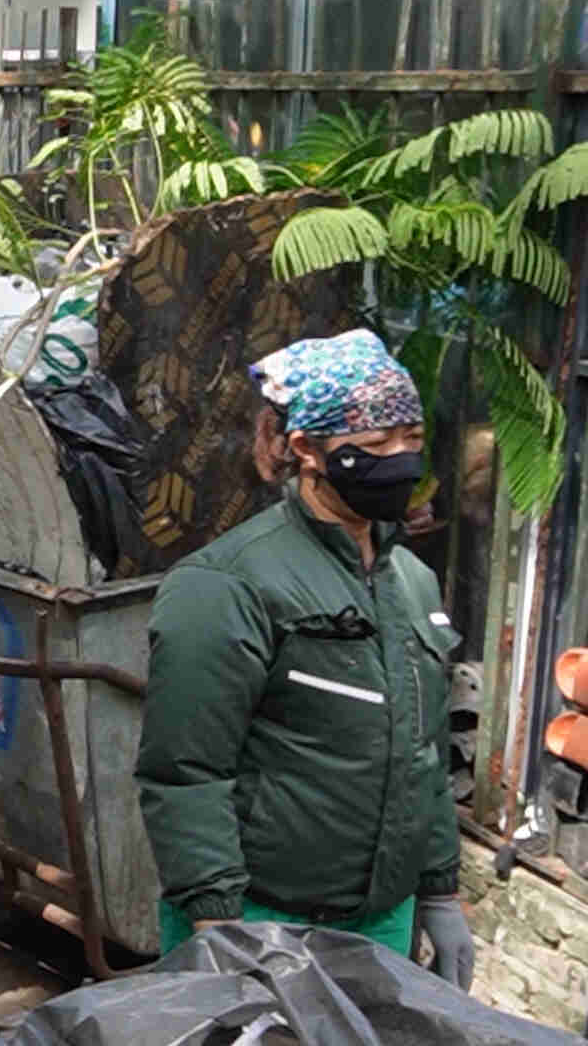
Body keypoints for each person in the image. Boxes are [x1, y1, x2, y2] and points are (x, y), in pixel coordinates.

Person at [137, 328, 473, 988]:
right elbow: (186, 772)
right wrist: (217, 926)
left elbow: (423, 755)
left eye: (410, 439)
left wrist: (439, 892)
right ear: (306, 450)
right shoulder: (229, 585)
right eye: (376, 446)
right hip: (257, 919)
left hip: (383, 920)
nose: (401, 460)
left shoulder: (412, 582)